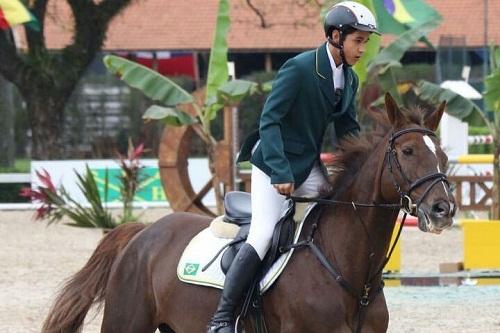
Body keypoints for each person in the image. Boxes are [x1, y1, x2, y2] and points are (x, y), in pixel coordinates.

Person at [207, 2, 380, 332]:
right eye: (358, 41)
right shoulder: (300, 68)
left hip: (309, 166)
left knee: (333, 218)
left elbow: (348, 131)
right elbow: (269, 121)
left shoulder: (350, 79)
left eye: (365, 42)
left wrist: (365, 165)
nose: (362, 48)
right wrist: (280, 172)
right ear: (334, 36)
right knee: (262, 234)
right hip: (274, 161)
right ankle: (222, 318)